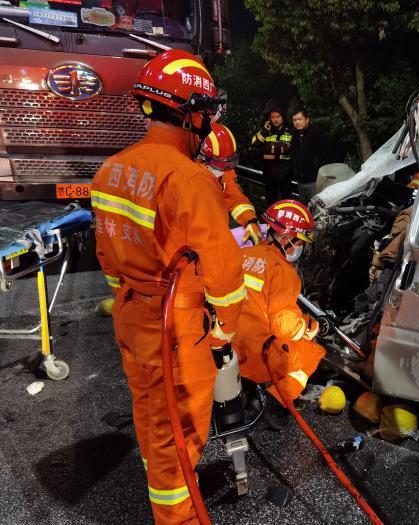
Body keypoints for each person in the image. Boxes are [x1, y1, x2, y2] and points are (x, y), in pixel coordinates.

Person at [91, 49, 246, 525]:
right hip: (176, 326)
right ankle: (179, 515)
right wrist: (223, 329)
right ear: (189, 112)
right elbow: (221, 269)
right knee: (179, 430)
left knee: (155, 420)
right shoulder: (188, 178)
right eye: (203, 113)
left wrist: (130, 295)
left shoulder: (109, 171)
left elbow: (108, 259)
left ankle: (174, 491)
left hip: (134, 317)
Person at [232, 199, 325, 429]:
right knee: (312, 352)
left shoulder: (244, 254)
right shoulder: (282, 271)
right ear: (286, 238)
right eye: (300, 241)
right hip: (254, 358)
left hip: (224, 348)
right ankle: (272, 401)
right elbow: (286, 327)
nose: (301, 247)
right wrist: (309, 326)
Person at [200, 122, 263, 245]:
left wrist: (250, 220)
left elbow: (236, 199)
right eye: (220, 163)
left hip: (216, 235)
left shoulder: (224, 170)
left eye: (229, 162)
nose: (225, 168)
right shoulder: (188, 176)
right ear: (202, 158)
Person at [251, 107, 294, 204]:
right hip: (269, 175)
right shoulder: (265, 132)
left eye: (278, 116)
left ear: (282, 118)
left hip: (285, 175)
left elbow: (295, 151)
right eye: (273, 117)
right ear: (269, 119)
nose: (275, 119)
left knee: (286, 202)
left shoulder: (290, 132)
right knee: (270, 201)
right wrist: (264, 131)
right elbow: (254, 143)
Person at [290, 108, 329, 204]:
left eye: (300, 119)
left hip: (315, 181)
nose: (297, 122)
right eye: (295, 120)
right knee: (304, 209)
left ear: (307, 120)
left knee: (316, 209)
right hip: (300, 181)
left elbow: (325, 155)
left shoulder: (316, 133)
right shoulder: (294, 135)